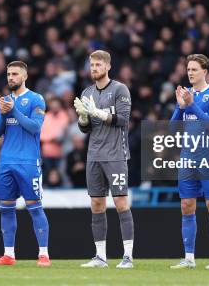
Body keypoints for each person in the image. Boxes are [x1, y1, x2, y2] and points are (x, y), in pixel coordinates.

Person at [74, 50, 134, 269]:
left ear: (108, 66)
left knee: (120, 202)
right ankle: (100, 257)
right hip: (94, 155)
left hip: (116, 154)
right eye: (91, 65)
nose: (94, 68)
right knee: (96, 204)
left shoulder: (119, 89)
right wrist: (82, 118)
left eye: (98, 65)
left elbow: (123, 120)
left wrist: (99, 113)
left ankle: (127, 256)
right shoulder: (87, 91)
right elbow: (86, 128)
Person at [169, 54, 209, 270]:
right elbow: (172, 130)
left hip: (208, 158)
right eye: (188, 69)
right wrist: (180, 107)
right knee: (186, 205)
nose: (190, 73)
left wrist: (192, 106)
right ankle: (189, 258)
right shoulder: (187, 95)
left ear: (205, 71)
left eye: (194, 69)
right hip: (187, 158)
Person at [0, 61, 51, 267]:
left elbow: (35, 127)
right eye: (8, 74)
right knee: (6, 208)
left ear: (24, 76)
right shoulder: (4, 101)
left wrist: (14, 110)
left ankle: (43, 254)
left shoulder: (36, 99)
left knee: (34, 207)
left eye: (15, 74)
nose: (10, 77)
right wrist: (3, 112)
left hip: (28, 162)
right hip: (6, 161)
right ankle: (9, 254)